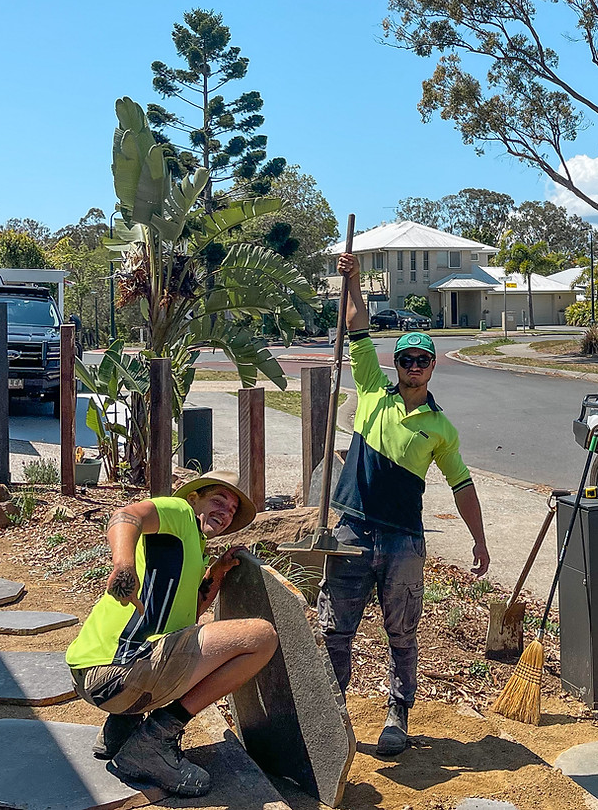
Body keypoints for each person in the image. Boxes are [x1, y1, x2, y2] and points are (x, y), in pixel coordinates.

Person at [319, 252, 491, 757]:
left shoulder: (441, 428)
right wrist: (350, 283)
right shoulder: (372, 387)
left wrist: (478, 538)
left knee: (403, 635)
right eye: (407, 359)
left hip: (403, 541)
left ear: (433, 367)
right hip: (351, 530)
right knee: (336, 631)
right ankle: (333, 715)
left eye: (422, 360)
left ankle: (398, 714)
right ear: (397, 364)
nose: (413, 366)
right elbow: (357, 329)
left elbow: (462, 486)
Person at [65, 471, 277, 796]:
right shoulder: (178, 514)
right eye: (218, 501)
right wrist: (123, 565)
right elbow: (126, 515)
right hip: (118, 672)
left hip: (93, 675)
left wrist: (216, 573)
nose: (225, 512)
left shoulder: (191, 546)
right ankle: (155, 739)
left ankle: (122, 726)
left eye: (232, 510)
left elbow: (186, 617)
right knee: (261, 639)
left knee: (184, 637)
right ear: (193, 499)